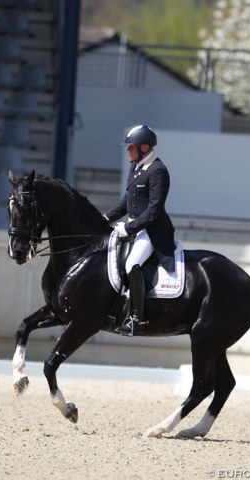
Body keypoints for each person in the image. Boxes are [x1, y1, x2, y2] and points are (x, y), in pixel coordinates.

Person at [104, 124, 176, 336]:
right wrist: (105, 218)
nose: (128, 150)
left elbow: (154, 210)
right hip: (136, 228)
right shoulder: (137, 166)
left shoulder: (158, 171)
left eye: (131, 147)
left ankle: (137, 318)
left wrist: (128, 227)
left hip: (153, 230)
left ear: (144, 147)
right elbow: (127, 201)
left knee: (131, 264)